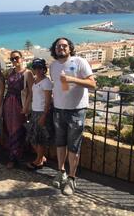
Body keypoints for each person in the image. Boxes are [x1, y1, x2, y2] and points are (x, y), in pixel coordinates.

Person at [49, 37, 96, 196]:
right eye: (58, 46)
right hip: (58, 110)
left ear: (70, 48)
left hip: (76, 111)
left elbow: (93, 84)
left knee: (74, 146)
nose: (61, 48)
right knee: (60, 143)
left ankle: (72, 178)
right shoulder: (53, 65)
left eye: (64, 45)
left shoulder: (80, 61)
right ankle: (61, 171)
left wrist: (71, 79)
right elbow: (56, 86)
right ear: (54, 49)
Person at [3, 50, 33, 168]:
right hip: (8, 103)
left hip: (19, 104)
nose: (14, 60)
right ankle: (11, 153)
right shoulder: (10, 71)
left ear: (22, 58)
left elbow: (31, 92)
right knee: (8, 129)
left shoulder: (28, 73)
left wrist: (25, 106)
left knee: (18, 130)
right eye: (12, 59)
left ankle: (14, 157)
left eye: (16, 58)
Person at [25, 58, 53, 170]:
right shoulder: (36, 80)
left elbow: (48, 101)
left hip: (41, 112)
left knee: (40, 139)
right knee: (32, 137)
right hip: (35, 111)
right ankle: (41, 157)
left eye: (40, 67)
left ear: (44, 69)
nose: (37, 70)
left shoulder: (46, 82)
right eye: (35, 67)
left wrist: (44, 116)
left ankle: (38, 161)